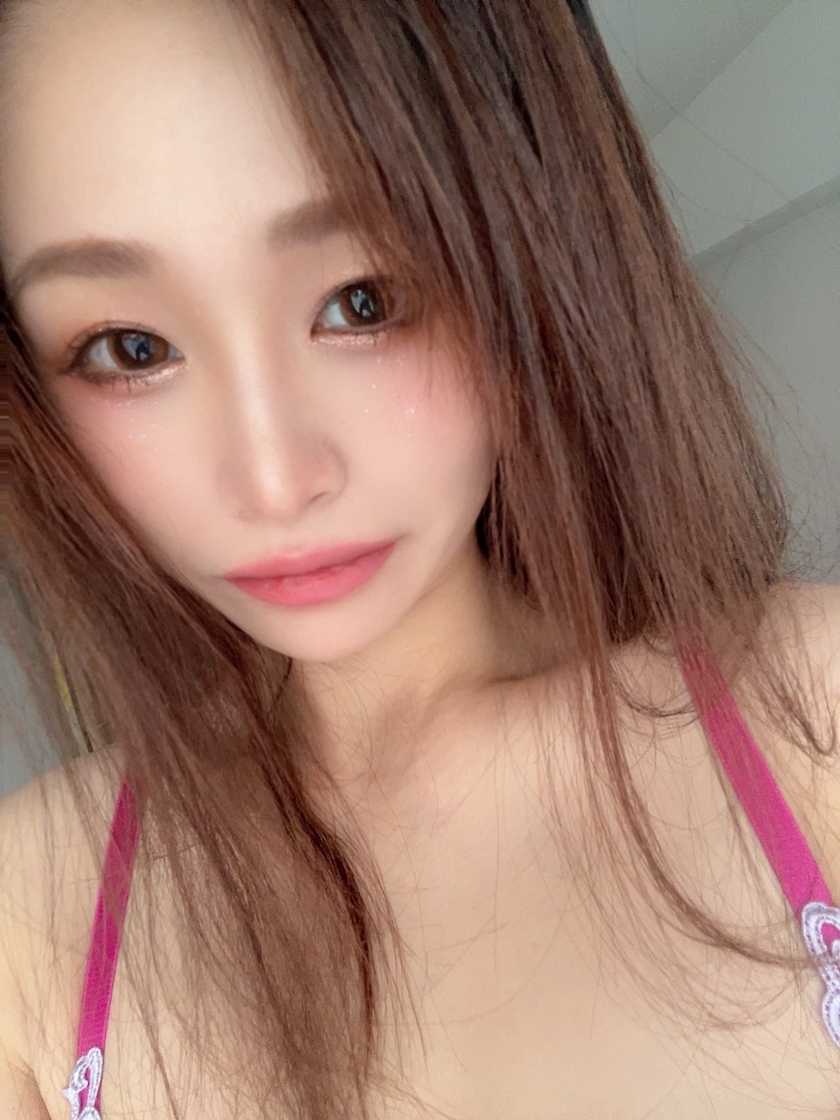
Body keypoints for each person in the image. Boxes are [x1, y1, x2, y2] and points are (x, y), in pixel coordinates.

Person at [0, 0, 838, 1116]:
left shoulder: (816, 722)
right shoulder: (27, 906)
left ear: (534, 254)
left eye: (366, 300)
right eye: (130, 347)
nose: (274, 480)